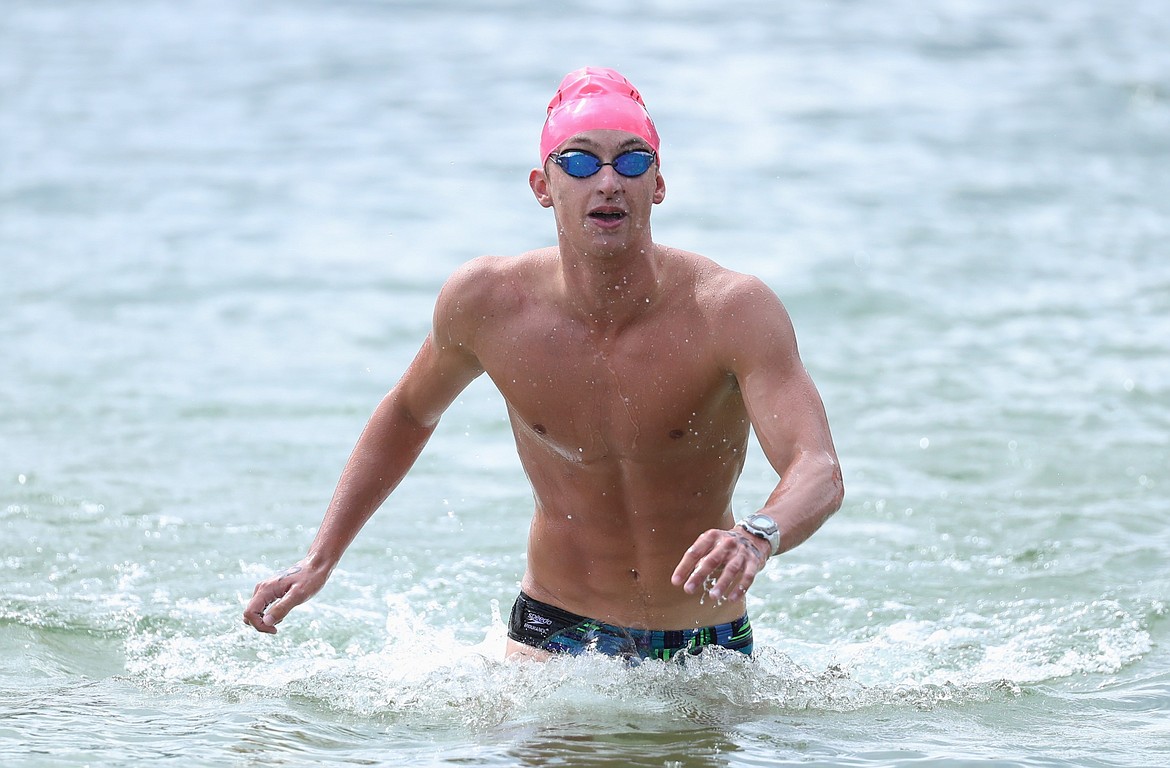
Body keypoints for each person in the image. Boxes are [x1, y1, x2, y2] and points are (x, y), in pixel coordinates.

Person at [243, 67, 843, 661]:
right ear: (542, 185)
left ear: (657, 184)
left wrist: (756, 537)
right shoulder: (488, 304)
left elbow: (817, 466)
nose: (608, 181)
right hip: (552, 635)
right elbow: (407, 413)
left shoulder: (730, 311)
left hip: (705, 644)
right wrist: (321, 556)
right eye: (580, 162)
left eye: (632, 161)